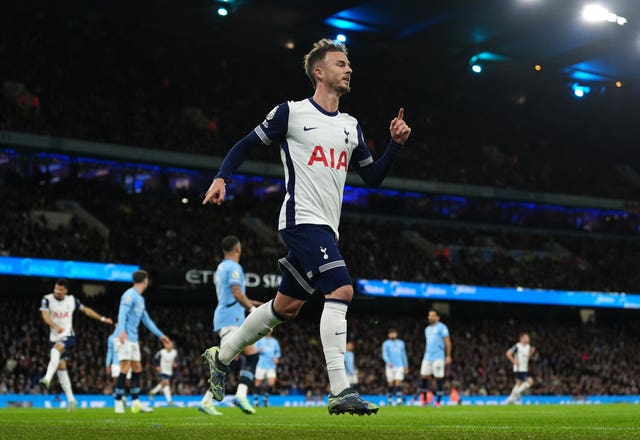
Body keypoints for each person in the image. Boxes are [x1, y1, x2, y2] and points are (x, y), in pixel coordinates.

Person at [201, 37, 411, 416]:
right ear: (319, 71)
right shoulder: (291, 113)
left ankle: (223, 355)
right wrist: (222, 178)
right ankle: (340, 390)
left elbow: (373, 178)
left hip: (327, 228)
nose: (348, 70)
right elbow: (246, 144)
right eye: (340, 64)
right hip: (301, 219)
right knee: (342, 290)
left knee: (286, 307)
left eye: (348, 65)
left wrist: (394, 145)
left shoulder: (351, 126)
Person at [199, 236, 261, 416]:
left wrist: (252, 303)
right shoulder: (234, 267)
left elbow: (233, 295)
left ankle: (240, 395)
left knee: (250, 357)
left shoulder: (221, 268)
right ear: (238, 249)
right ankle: (208, 400)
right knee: (226, 361)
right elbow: (236, 293)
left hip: (230, 317)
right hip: (230, 319)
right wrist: (252, 309)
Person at [38, 278, 113, 411]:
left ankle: (47, 378)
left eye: (60, 290)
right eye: (56, 289)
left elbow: (87, 311)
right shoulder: (47, 299)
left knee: (55, 351)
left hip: (68, 336)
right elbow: (45, 317)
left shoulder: (72, 300)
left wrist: (102, 318)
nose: (57, 291)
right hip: (54, 337)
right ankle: (72, 399)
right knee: (61, 367)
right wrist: (55, 326)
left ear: (66, 290)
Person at [113, 270, 171, 414]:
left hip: (133, 339)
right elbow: (122, 313)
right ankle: (118, 402)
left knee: (137, 369)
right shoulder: (129, 294)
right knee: (125, 368)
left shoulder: (140, 299)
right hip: (124, 337)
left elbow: (147, 320)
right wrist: (121, 330)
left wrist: (160, 335)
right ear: (144, 281)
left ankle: (135, 403)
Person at [419, 308, 452, 407]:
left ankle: (438, 402)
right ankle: (424, 401)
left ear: (438, 317)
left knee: (438, 378)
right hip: (427, 356)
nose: (430, 317)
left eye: (433, 315)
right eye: (429, 315)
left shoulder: (442, 327)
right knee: (424, 376)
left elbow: (447, 342)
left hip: (438, 356)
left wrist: (448, 355)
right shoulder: (427, 329)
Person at [506, 332, 536, 404]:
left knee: (518, 384)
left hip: (524, 368)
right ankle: (515, 395)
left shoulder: (528, 347)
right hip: (519, 369)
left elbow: (527, 357)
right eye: (526, 337)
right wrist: (513, 361)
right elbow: (508, 353)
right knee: (530, 382)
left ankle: (511, 400)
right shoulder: (517, 346)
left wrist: (531, 353)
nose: (528, 339)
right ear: (522, 339)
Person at [253, 330, 281, 407]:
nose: (269, 331)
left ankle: (265, 398)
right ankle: (255, 401)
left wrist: (276, 357)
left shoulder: (274, 341)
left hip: (271, 365)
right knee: (258, 383)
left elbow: (278, 352)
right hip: (261, 364)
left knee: (271, 383)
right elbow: (254, 350)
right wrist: (259, 350)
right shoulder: (259, 340)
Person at [382, 329, 408, 406]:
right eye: (391, 333)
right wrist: (388, 361)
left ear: (396, 334)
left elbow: (403, 355)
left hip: (399, 366)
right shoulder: (386, 343)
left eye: (394, 333)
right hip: (390, 366)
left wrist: (406, 365)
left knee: (398, 383)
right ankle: (390, 399)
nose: (393, 335)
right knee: (390, 384)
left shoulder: (401, 343)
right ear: (389, 335)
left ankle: (399, 400)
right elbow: (384, 354)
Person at [106, 324, 131, 400]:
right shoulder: (111, 338)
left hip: (126, 362)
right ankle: (118, 398)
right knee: (116, 381)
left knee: (127, 382)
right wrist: (107, 365)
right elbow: (110, 352)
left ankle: (125, 397)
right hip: (116, 363)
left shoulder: (128, 336)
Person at [149, 340, 178, 405]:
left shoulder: (174, 352)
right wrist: (157, 366)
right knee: (165, 382)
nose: (170, 345)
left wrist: (175, 364)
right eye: (169, 344)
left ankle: (153, 392)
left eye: (171, 344)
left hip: (169, 371)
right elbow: (154, 359)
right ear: (165, 345)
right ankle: (169, 400)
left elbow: (177, 360)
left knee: (165, 385)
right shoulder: (162, 352)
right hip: (162, 370)